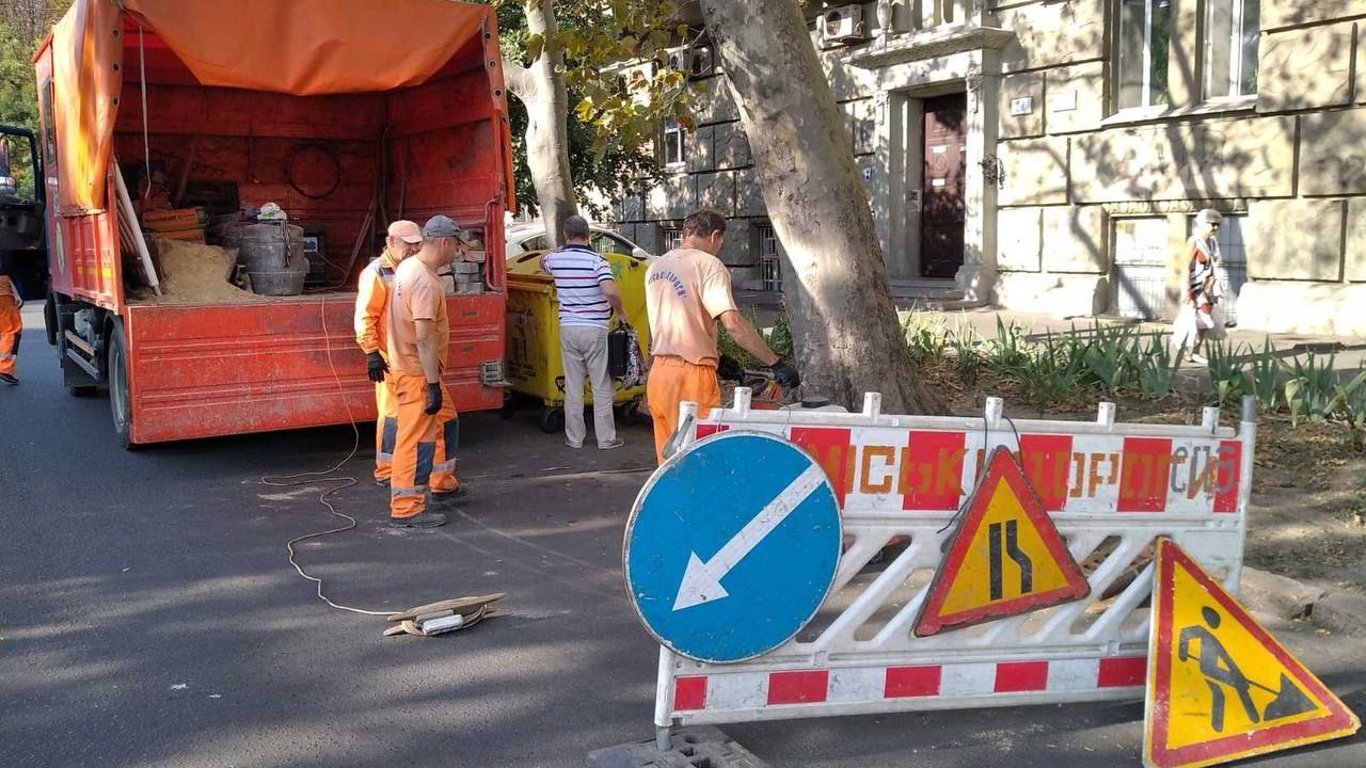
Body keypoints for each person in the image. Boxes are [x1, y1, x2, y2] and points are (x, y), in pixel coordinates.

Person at [644, 209, 800, 464]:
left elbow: (680, 321)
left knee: (670, 465)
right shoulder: (708, 265)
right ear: (714, 235)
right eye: (721, 243)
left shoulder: (655, 267)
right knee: (704, 459)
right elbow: (733, 324)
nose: (719, 249)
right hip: (692, 379)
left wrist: (719, 358)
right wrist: (776, 363)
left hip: (660, 375)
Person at [386, 215, 477, 528]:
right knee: (416, 439)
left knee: (446, 419)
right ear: (445, 242)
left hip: (412, 367)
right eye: (456, 245)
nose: (457, 252)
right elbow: (423, 338)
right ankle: (406, 507)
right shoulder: (424, 281)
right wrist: (433, 384)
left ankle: (442, 481)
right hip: (418, 373)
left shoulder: (409, 268)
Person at [542, 215, 628, 450]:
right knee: (601, 385)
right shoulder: (598, 261)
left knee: (573, 386)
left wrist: (558, 248)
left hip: (568, 328)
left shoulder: (556, 260)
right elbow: (610, 291)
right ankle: (606, 439)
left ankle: (574, 438)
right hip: (595, 328)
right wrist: (620, 311)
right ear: (588, 235)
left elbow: (542, 261)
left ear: (565, 235)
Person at [354, 220, 423, 484]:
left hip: (409, 355)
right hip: (389, 358)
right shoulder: (376, 273)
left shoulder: (411, 268)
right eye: (408, 244)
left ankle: (404, 467)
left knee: (410, 414)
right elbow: (366, 315)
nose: (413, 248)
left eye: (417, 244)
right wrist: (371, 352)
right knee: (392, 415)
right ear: (391, 242)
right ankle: (387, 471)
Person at [1173, 209, 1225, 365]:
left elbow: (1214, 265)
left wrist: (1213, 284)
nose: (1215, 228)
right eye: (1212, 224)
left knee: (1205, 319)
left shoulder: (1213, 243)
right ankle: (1182, 348)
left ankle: (1195, 352)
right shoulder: (1194, 241)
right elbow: (1185, 267)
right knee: (1188, 319)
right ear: (1203, 223)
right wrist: (1186, 290)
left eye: (1218, 225)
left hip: (1207, 288)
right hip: (1193, 286)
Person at [0, 269, 22, 385]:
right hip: (3, 291)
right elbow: (8, 268)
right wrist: (15, 292)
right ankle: (4, 367)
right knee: (12, 330)